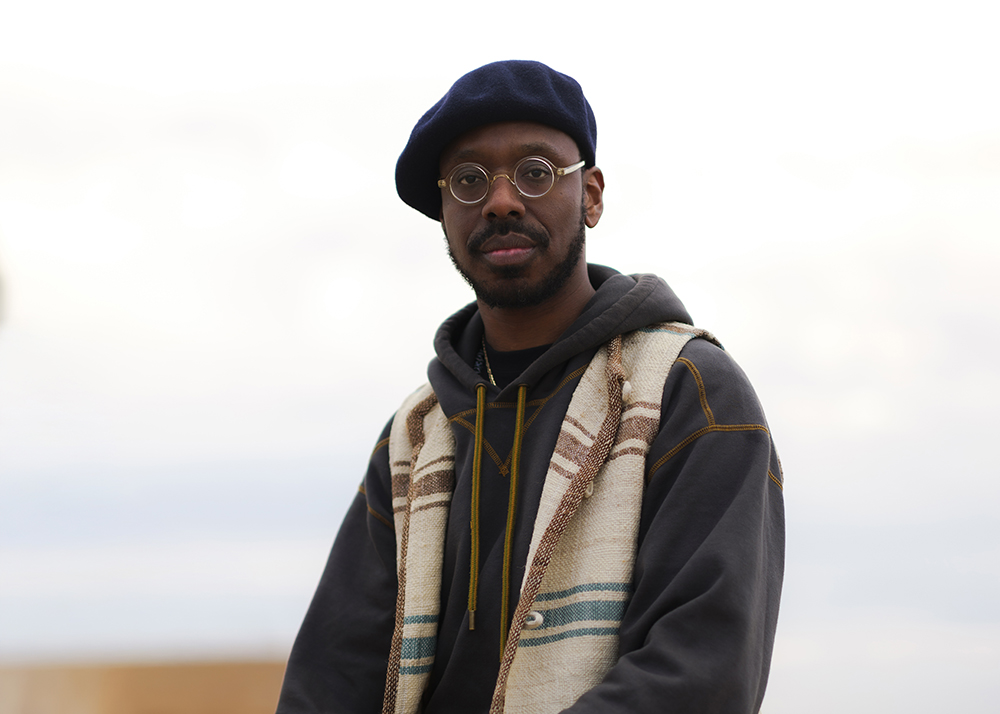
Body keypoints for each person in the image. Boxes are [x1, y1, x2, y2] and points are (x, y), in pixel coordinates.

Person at [275, 60, 784, 714]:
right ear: (444, 214)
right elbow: (330, 679)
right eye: (468, 180)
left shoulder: (689, 395)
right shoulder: (415, 438)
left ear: (591, 195)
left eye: (536, 172)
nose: (502, 201)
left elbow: (700, 675)